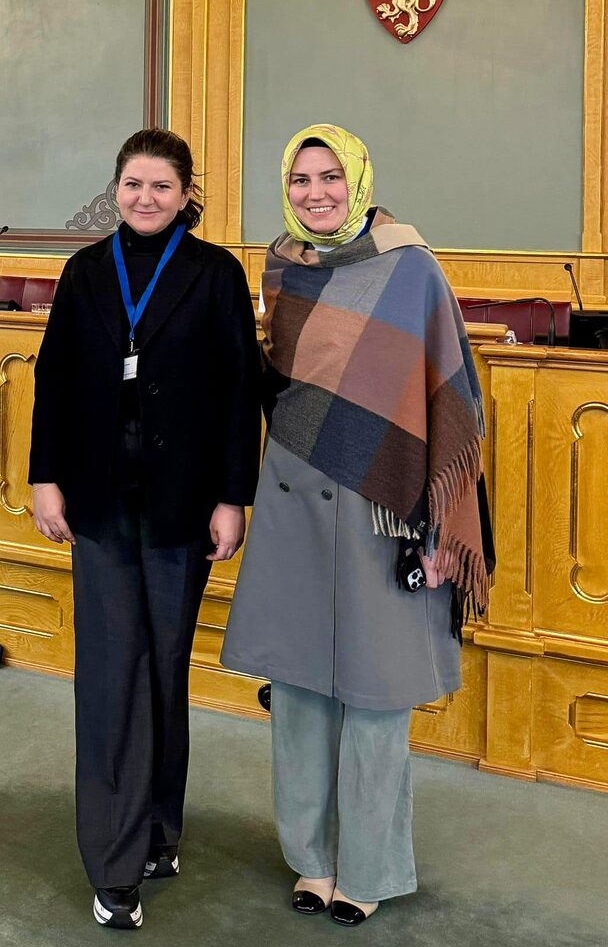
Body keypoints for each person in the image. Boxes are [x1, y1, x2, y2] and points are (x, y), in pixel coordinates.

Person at [220, 123, 492, 926]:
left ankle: (367, 869)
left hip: (387, 509)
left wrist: (445, 526)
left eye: (331, 176)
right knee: (300, 692)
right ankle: (312, 860)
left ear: (360, 179)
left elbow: (454, 402)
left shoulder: (412, 269)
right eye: (301, 179)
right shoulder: (281, 266)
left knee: (375, 700)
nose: (316, 193)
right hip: (295, 501)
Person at [28, 128, 261, 929]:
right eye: (132, 184)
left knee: (164, 668)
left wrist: (234, 498)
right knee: (109, 677)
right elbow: (53, 380)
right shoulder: (86, 272)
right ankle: (114, 862)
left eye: (161, 186)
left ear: (187, 193)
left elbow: (239, 395)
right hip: (96, 501)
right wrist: (43, 478)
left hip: (181, 505)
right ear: (115, 188)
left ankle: (161, 825)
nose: (145, 199)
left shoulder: (216, 273)